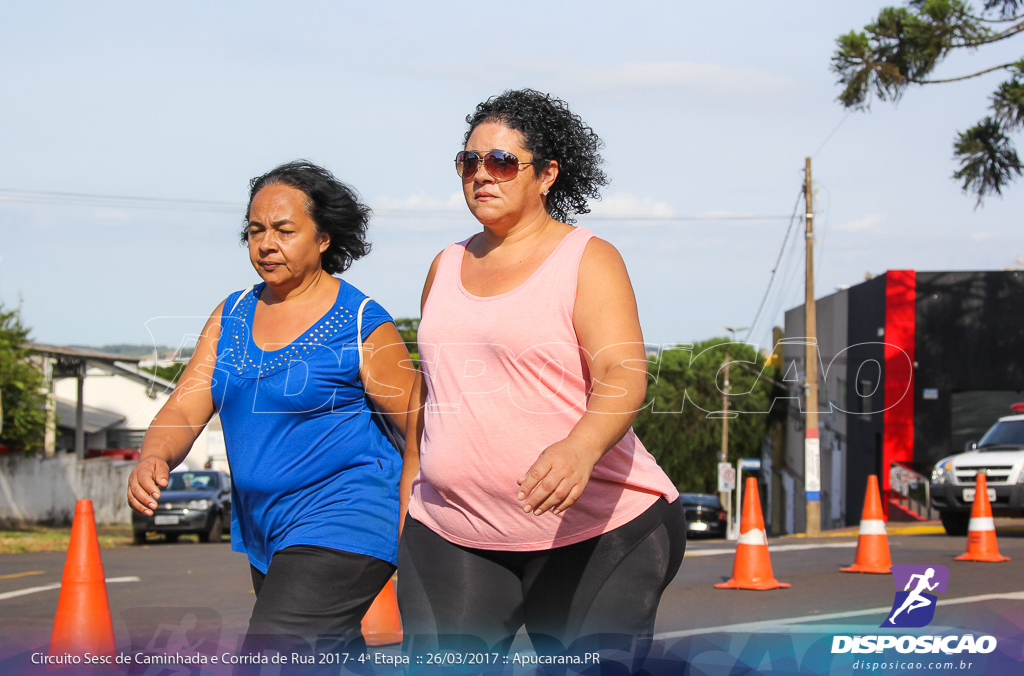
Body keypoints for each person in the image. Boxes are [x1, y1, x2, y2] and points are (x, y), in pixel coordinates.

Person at [398, 89, 687, 662]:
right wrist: (409, 492)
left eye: (503, 162)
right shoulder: (445, 263)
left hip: (598, 531)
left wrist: (580, 448)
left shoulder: (587, 257)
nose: (483, 175)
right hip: (453, 529)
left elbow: (622, 372)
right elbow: (430, 388)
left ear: (547, 174)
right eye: (469, 161)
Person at [127, 161, 414, 656]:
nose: (266, 244)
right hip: (266, 526)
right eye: (256, 230)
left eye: (284, 230)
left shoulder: (362, 322)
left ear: (323, 238)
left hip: (347, 518)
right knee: (328, 659)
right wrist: (154, 455)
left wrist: (418, 513)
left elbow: (420, 425)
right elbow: (185, 404)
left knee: (272, 655)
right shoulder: (232, 313)